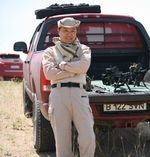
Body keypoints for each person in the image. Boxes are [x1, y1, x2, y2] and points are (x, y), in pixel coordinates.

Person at [42, 17, 96, 157]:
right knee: (62, 140)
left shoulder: (84, 49)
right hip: (58, 95)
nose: (69, 34)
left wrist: (62, 65)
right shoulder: (50, 51)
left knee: (88, 136)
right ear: (58, 31)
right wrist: (75, 70)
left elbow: (83, 66)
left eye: (73, 30)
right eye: (65, 30)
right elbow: (49, 74)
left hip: (80, 94)